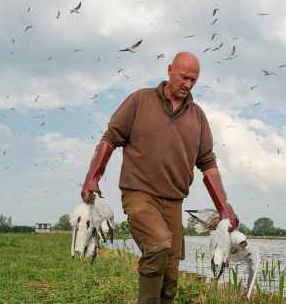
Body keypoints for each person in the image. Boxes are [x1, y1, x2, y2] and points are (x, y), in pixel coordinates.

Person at [80, 51, 239, 303]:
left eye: (194, 80)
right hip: (139, 193)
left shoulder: (197, 117)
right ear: (169, 70)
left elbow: (207, 163)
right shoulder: (140, 100)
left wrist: (224, 207)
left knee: (171, 270)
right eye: (184, 77)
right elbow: (110, 138)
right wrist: (92, 177)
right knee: (158, 245)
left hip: (174, 202)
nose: (188, 84)